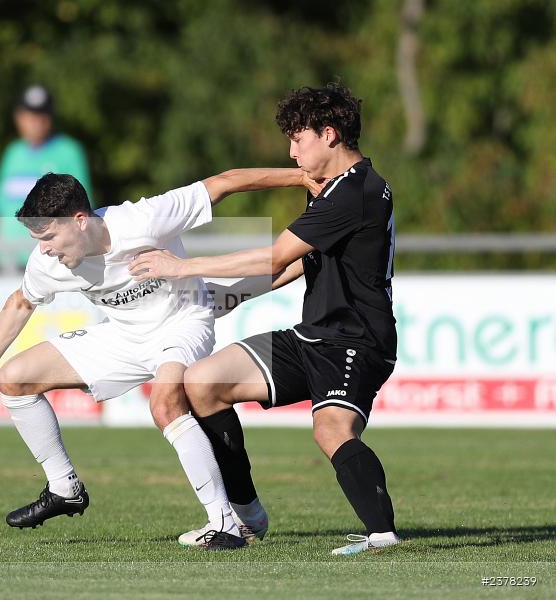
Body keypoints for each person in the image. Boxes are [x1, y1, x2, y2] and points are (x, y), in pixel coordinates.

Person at [0, 168, 318, 549]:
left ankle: (223, 523)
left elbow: (222, 184)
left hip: (182, 323)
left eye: (49, 237)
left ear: (80, 220)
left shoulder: (143, 219)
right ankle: (64, 487)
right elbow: (21, 302)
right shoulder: (48, 262)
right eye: (38, 240)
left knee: (164, 403)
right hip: (122, 336)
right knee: (15, 378)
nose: (45, 249)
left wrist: (303, 177)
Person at [128, 83, 401, 556]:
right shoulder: (334, 189)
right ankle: (246, 517)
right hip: (314, 335)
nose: (292, 152)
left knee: (331, 430)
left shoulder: (354, 192)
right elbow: (300, 263)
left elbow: (275, 256)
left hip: (356, 340)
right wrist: (231, 297)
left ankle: (382, 535)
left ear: (330, 135)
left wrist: (182, 267)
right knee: (203, 382)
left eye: (298, 139)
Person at [0, 85, 91, 272]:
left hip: (50, 261)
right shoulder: (12, 153)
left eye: (41, 115)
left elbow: (81, 212)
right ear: (19, 117)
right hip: (7, 261)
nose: (34, 122)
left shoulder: (69, 153)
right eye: (29, 115)